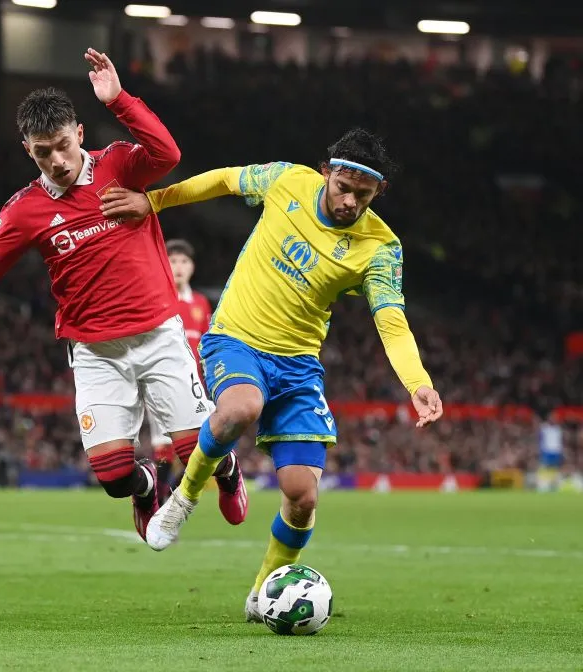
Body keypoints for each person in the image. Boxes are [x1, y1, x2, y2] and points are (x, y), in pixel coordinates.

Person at [0, 49, 247, 541]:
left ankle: (228, 470)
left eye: (64, 145)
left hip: (158, 336)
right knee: (112, 477)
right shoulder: (25, 210)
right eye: (44, 152)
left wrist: (119, 100)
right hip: (94, 352)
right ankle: (145, 484)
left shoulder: (119, 167)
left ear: (80, 134)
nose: (58, 160)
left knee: (199, 453)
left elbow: (168, 156)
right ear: (29, 150)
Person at [98, 128, 444, 619]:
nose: (349, 202)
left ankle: (263, 594)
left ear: (378, 193)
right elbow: (221, 181)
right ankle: (183, 498)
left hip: (299, 366)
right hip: (236, 339)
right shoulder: (286, 181)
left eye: (363, 196)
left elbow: (390, 319)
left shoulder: (382, 248)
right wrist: (154, 201)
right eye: (343, 188)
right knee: (242, 406)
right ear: (326, 172)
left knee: (302, 497)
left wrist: (418, 382)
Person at [147, 239, 224, 506]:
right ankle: (157, 508)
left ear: (192, 267)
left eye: (184, 261)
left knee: (202, 450)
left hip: (197, 390)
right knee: (165, 450)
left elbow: (210, 347)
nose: (178, 267)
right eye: (173, 261)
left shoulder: (201, 304)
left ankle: (168, 498)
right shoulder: (155, 299)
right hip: (161, 386)